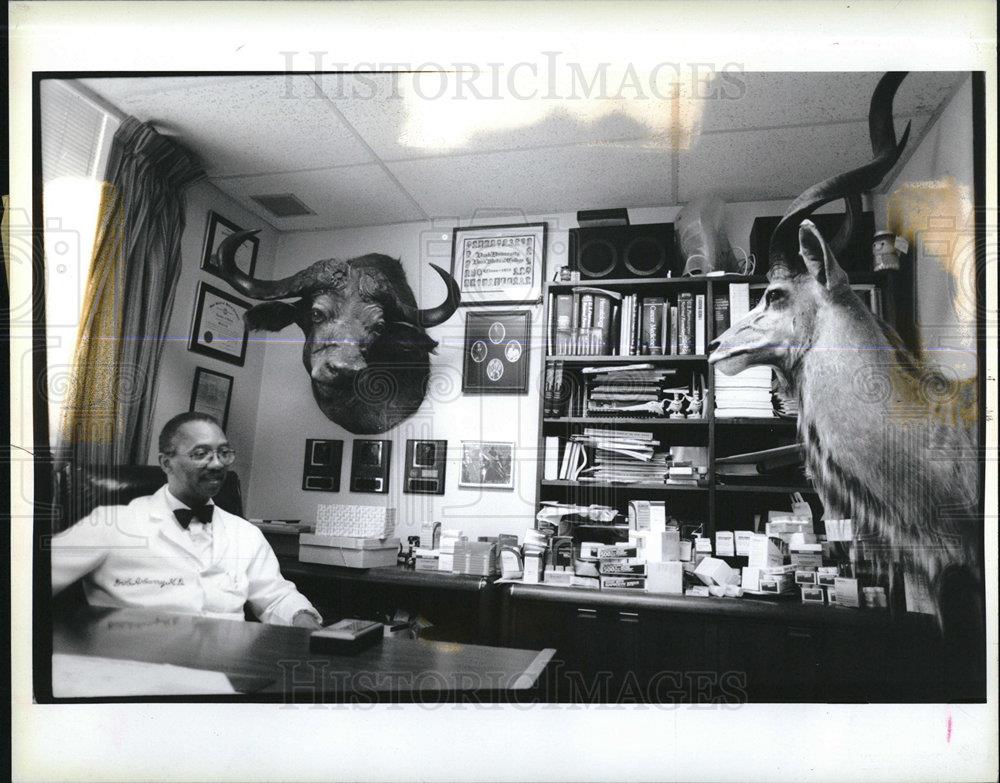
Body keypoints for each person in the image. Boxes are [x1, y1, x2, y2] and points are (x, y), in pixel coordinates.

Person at [50, 412, 324, 628]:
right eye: (201, 453)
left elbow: (275, 596)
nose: (217, 464)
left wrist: (304, 618)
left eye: (224, 452)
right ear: (166, 463)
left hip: (232, 666)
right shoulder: (111, 524)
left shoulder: (245, 533)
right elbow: (27, 581)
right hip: (138, 667)